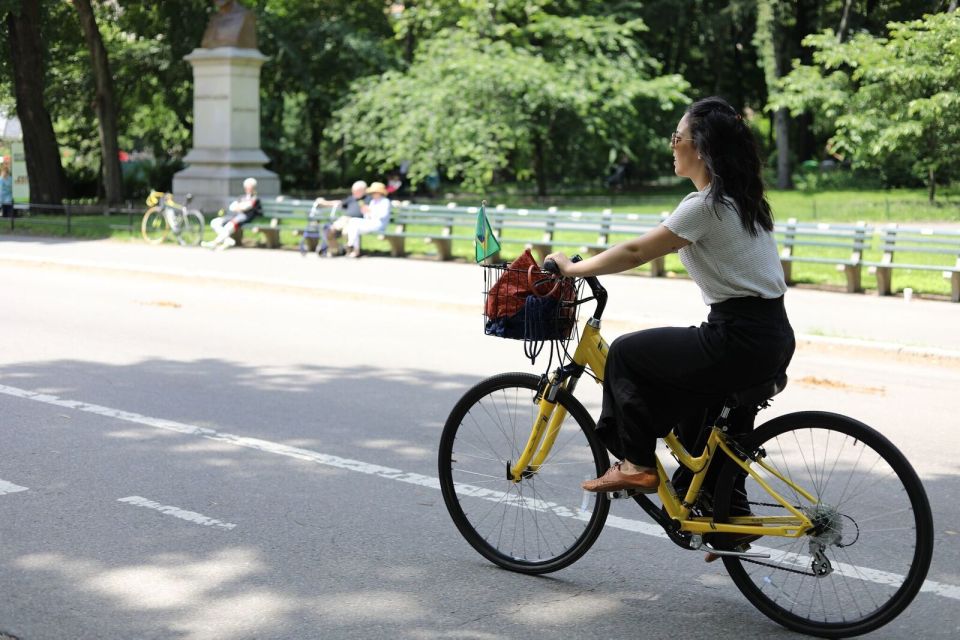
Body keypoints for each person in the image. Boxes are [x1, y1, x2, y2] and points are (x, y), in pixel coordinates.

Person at [546, 97, 795, 558]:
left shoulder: (706, 205)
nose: (672, 146)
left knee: (627, 353)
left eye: (676, 137)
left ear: (700, 147)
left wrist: (573, 270)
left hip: (737, 337)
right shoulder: (741, 200)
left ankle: (637, 463)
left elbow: (638, 251)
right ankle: (728, 518)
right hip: (770, 336)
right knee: (707, 423)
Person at [325, 181, 391, 258]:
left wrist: (370, 211)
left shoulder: (385, 201)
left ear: (380, 193)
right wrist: (366, 212)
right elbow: (367, 216)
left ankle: (351, 246)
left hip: (379, 224)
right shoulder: (373, 201)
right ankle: (353, 248)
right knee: (353, 223)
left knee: (353, 226)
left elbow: (382, 215)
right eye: (373, 192)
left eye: (375, 192)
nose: (373, 194)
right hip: (370, 222)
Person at [202, 177, 261, 250]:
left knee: (228, 226)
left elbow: (247, 207)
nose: (247, 188)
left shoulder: (255, 198)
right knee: (214, 222)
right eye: (246, 186)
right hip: (233, 216)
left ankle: (215, 243)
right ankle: (228, 240)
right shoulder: (241, 197)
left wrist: (239, 207)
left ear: (253, 187)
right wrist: (239, 207)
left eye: (249, 186)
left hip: (243, 218)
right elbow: (232, 207)